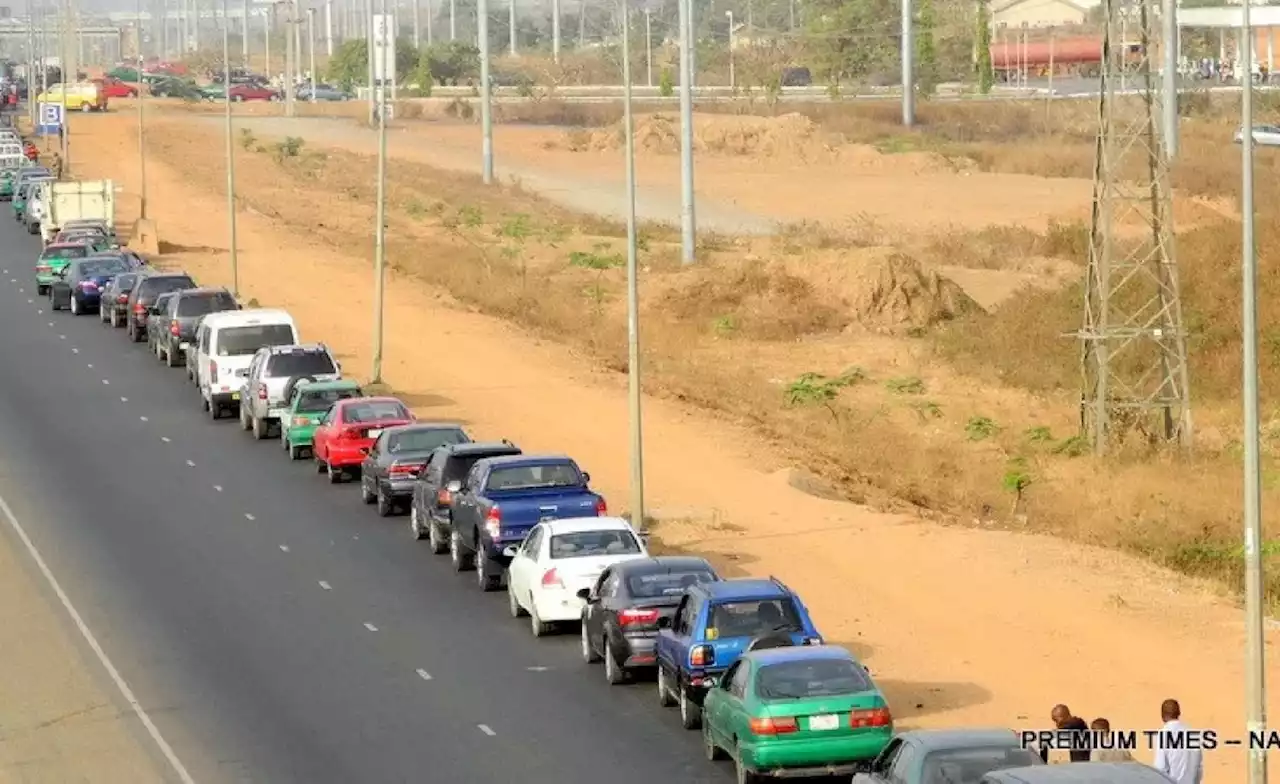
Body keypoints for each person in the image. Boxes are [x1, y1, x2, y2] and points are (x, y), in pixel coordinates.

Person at [1152, 699, 1204, 784]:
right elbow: (1199, 770)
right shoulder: (1192, 734)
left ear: (1162, 715)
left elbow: (1160, 771)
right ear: (1179, 713)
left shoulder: (1164, 734)